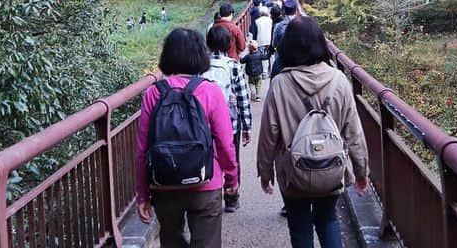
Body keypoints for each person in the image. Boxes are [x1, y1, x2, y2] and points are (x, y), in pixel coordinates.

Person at [257, 17, 370, 248]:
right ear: (321, 43)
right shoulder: (339, 81)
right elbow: (354, 133)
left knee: (299, 226)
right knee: (328, 219)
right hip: (330, 167)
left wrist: (265, 171)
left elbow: (269, 134)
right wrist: (361, 172)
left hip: (292, 172)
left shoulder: (279, 84)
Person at [136, 29, 238, 248]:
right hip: (206, 183)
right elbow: (225, 143)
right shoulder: (211, 91)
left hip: (164, 185)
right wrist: (231, 178)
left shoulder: (153, 93)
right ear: (201, 55)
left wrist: (143, 194)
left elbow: (143, 149)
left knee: (171, 241)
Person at [204, 26, 252, 214]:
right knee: (232, 158)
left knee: (209, 157)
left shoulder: (200, 66)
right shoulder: (233, 66)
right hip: (229, 123)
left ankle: (210, 194)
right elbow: (242, 97)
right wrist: (247, 126)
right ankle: (231, 197)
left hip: (205, 125)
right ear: (229, 43)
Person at [270, 0, 299, 78]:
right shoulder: (301, 25)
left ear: (284, 11)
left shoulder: (279, 26)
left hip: (281, 61)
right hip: (297, 62)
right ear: (296, 11)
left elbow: (274, 44)